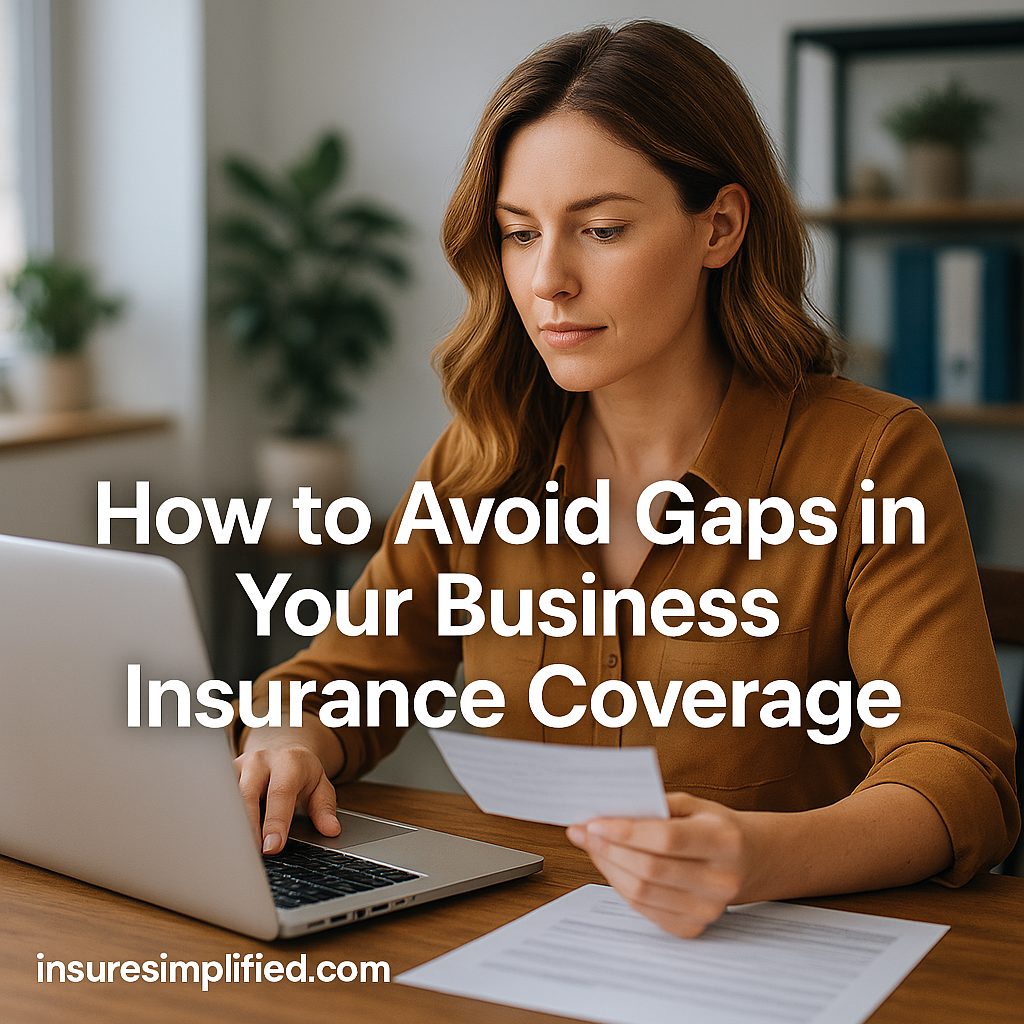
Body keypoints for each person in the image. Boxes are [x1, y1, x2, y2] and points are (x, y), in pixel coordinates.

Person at [233, 21, 1018, 939]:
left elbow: (958, 774)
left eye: (601, 230)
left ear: (719, 227)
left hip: (777, 957)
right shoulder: (482, 453)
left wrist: (759, 856)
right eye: (519, 234)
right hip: (513, 952)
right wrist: (288, 737)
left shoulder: (872, 456)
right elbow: (341, 678)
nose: (547, 281)